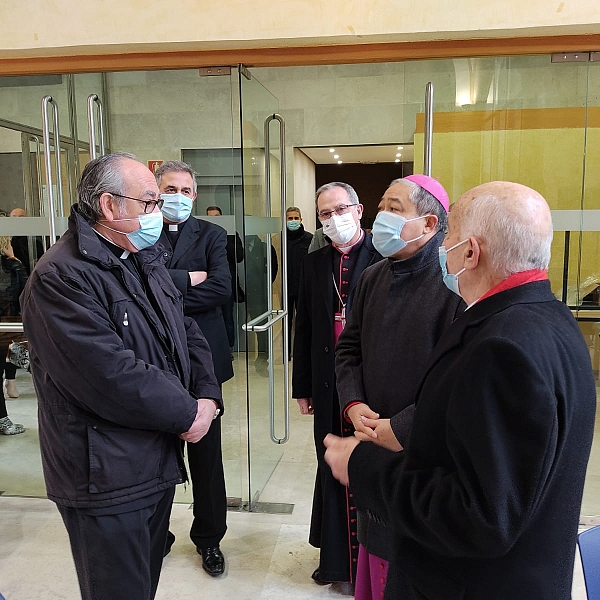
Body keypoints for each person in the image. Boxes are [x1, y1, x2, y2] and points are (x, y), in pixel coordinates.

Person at [325, 181, 597, 600]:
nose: (441, 249)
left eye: (448, 238)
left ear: (470, 252)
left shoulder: (500, 349)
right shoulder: (554, 320)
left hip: (471, 584)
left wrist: (363, 464)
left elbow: (479, 516)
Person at [20, 152, 223, 600]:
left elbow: (185, 329)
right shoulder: (61, 276)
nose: (160, 211)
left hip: (152, 459)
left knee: (142, 586)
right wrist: (188, 413)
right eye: (150, 201)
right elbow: (108, 374)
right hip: (105, 473)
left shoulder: (140, 255)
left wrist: (207, 394)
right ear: (110, 206)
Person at [335, 175, 464, 600]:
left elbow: (458, 377)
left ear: (429, 225)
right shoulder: (372, 277)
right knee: (376, 539)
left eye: (394, 208)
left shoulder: (453, 286)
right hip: (370, 432)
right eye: (382, 206)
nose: (381, 217)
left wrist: (402, 428)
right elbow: (349, 347)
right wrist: (354, 405)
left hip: (422, 448)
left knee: (410, 560)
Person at [292, 182, 383, 586]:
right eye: (324, 215)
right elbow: (305, 328)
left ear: (359, 210)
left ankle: (369, 564)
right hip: (328, 383)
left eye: (339, 210)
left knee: (368, 467)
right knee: (330, 466)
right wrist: (303, 387)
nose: (333, 220)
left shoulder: (383, 257)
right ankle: (335, 563)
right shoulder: (314, 264)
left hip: (370, 383)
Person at [156, 161, 232, 576]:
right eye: (171, 188)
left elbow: (222, 289)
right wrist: (188, 280)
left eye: (186, 190)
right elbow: (131, 286)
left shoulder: (212, 235)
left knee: (207, 458)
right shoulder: (140, 233)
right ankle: (157, 535)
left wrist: (163, 288)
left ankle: (210, 539)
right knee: (156, 454)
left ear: (195, 195)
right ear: (156, 189)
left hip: (204, 360)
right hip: (155, 360)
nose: (178, 197)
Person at [206, 205, 245, 351]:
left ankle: (228, 348)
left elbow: (239, 256)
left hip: (227, 283)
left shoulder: (232, 234)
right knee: (211, 318)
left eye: (217, 217)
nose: (214, 221)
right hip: (207, 284)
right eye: (210, 217)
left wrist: (224, 238)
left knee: (228, 318)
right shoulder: (203, 235)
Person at [244, 233, 278, 375]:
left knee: (261, 328)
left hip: (259, 293)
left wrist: (265, 285)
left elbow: (273, 269)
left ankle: (263, 360)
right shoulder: (236, 247)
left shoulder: (265, 247)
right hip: (237, 293)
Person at [285, 206, 312, 357]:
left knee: (302, 323)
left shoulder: (310, 239)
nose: (293, 221)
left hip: (303, 288)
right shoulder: (279, 238)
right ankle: (287, 352)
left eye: (296, 218)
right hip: (286, 289)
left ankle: (301, 353)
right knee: (286, 323)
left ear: (301, 220)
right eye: (290, 218)